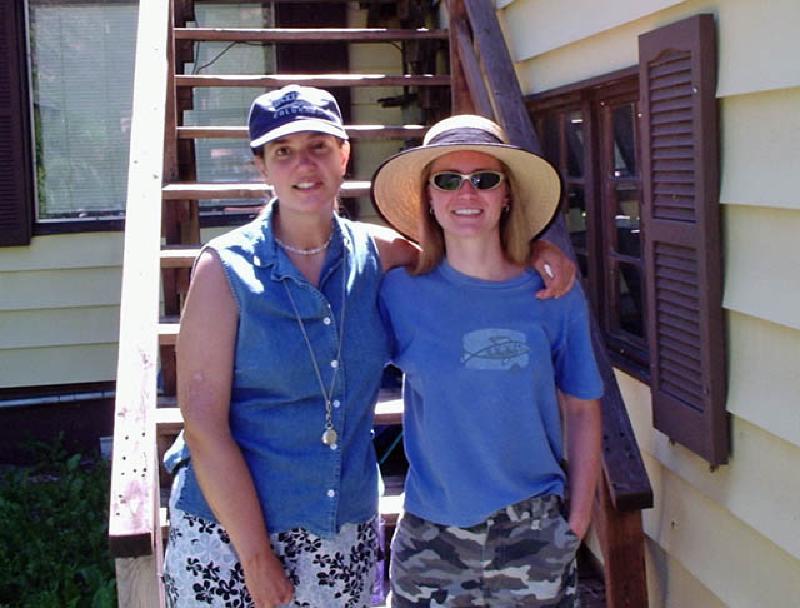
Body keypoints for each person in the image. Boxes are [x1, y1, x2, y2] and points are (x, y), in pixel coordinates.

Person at [161, 86, 576, 608]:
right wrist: (255, 556)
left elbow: (468, 247)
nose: (304, 164)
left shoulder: (379, 254)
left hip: (342, 527)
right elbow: (203, 424)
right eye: (283, 151)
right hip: (230, 534)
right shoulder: (224, 270)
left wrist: (535, 249)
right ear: (262, 167)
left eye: (318, 146)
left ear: (344, 155)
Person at [373, 114, 604, 607]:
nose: (466, 193)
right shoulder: (398, 292)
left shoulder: (553, 292)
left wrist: (577, 523)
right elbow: (325, 238)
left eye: (484, 179)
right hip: (432, 536)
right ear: (428, 197)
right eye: (447, 180)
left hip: (534, 529)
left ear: (507, 195)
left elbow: (583, 408)